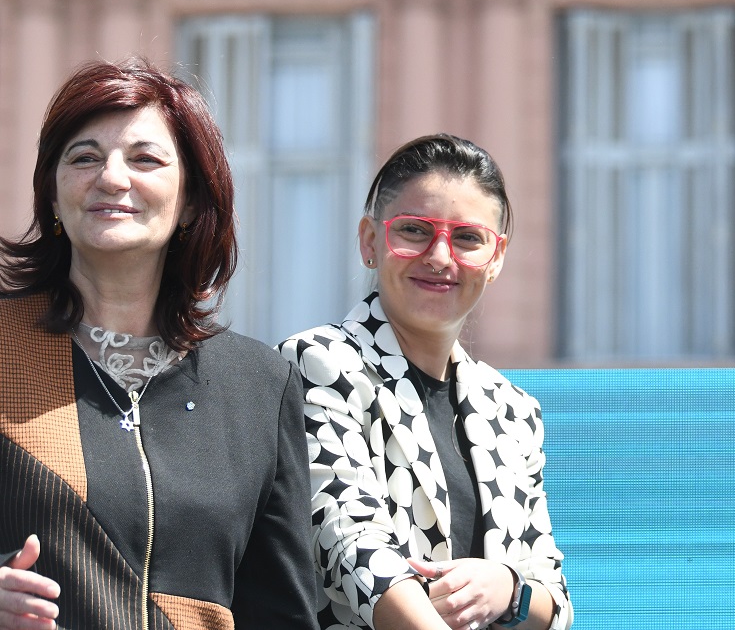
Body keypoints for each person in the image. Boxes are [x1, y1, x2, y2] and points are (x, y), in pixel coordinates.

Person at [0, 59, 319, 630]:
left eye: (144, 159)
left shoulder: (259, 385)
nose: (112, 178)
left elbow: (281, 613)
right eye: (84, 157)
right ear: (51, 194)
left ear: (192, 201)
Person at [280, 135, 571, 630]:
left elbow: (556, 600)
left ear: (496, 257)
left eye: (467, 238)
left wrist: (508, 586)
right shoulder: (317, 362)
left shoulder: (515, 411)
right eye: (414, 230)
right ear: (371, 242)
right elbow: (350, 543)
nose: (440, 256)